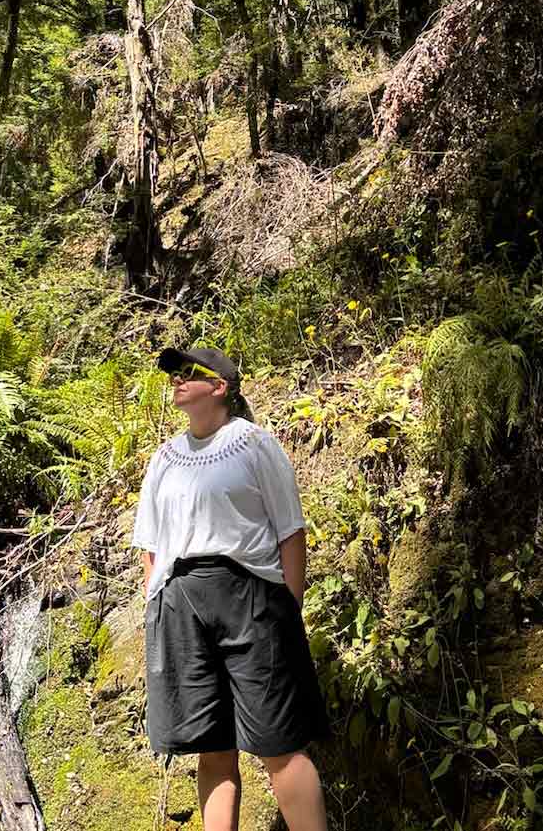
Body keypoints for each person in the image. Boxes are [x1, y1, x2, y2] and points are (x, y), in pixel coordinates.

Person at [132, 345, 329, 831]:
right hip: (179, 605)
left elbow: (290, 531)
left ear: (219, 386)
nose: (176, 380)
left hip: (252, 602)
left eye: (187, 372)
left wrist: (288, 607)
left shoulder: (254, 444)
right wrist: (155, 600)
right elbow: (151, 544)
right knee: (212, 747)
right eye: (172, 374)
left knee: (280, 745)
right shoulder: (164, 458)